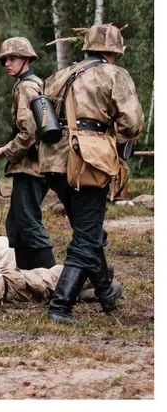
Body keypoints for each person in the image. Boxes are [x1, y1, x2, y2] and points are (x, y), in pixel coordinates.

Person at [40, 24, 143, 324]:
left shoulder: (60, 75)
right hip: (87, 162)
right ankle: (60, 306)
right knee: (86, 238)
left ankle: (105, 291)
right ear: (114, 52)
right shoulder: (114, 75)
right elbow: (132, 123)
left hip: (54, 164)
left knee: (89, 231)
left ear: (87, 48)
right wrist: (116, 140)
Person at [0, 37, 55, 270]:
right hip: (31, 164)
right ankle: (28, 278)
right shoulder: (31, 83)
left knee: (28, 222)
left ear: (26, 59)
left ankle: (50, 278)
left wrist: (8, 149)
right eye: (5, 60)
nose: (8, 63)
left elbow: (29, 131)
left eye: (13, 58)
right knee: (17, 223)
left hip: (31, 165)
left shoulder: (26, 86)